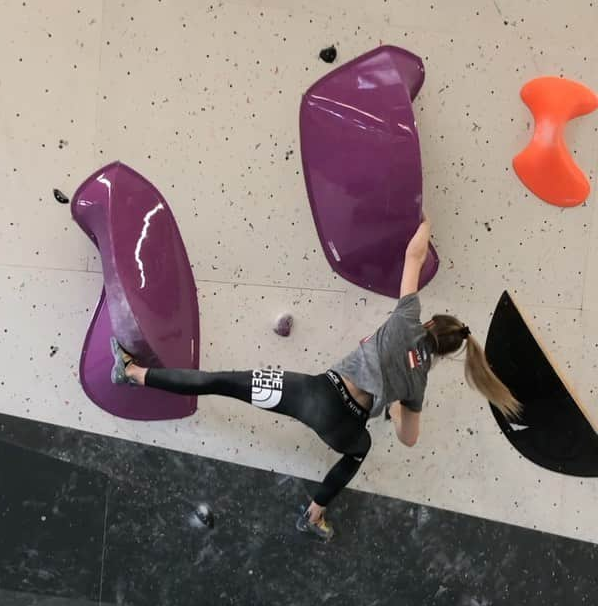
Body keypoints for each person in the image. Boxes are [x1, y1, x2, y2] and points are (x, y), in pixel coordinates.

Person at [110, 218, 521, 541]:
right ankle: (313, 514)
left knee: (222, 382)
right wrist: (396, 408)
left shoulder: (408, 318)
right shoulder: (419, 384)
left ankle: (132, 372)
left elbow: (414, 256)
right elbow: (409, 439)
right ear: (446, 355)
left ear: (430, 322)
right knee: (359, 451)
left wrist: (424, 219)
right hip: (343, 427)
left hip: (314, 393)